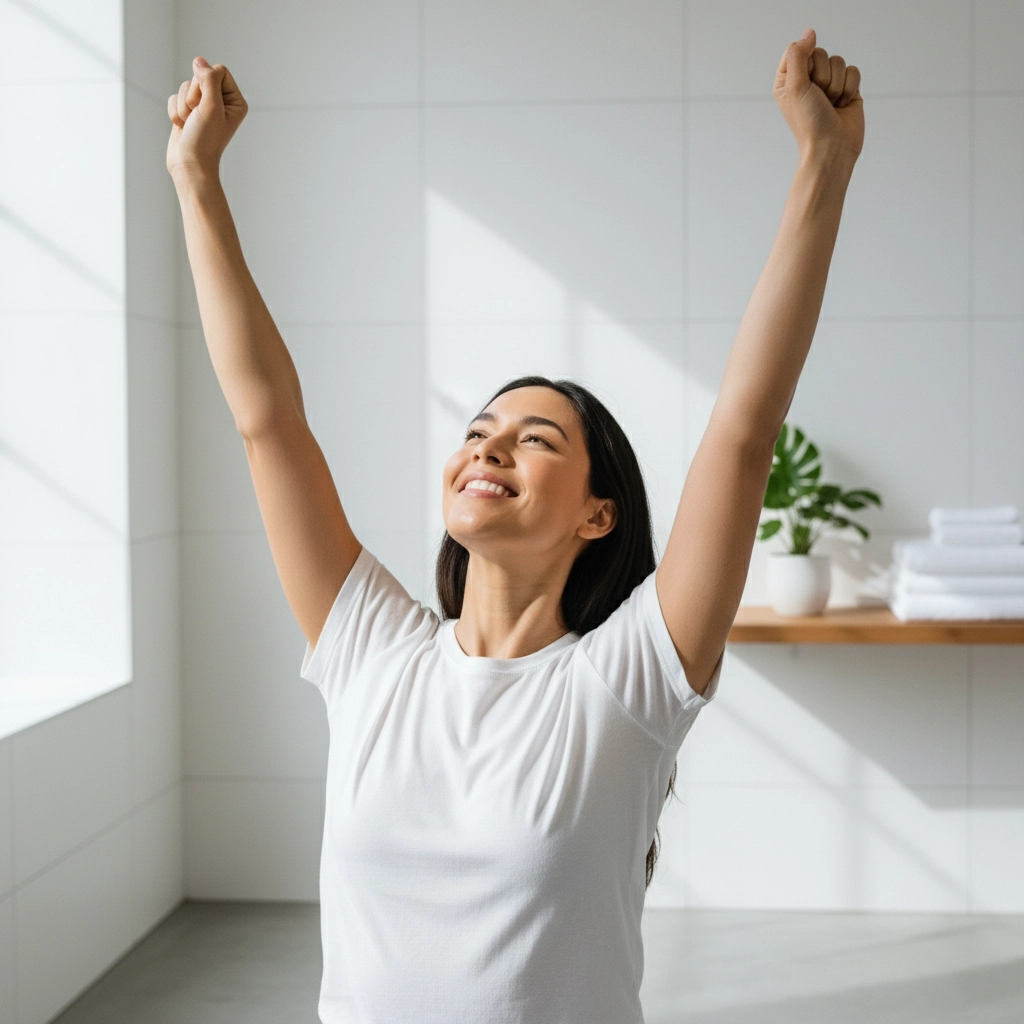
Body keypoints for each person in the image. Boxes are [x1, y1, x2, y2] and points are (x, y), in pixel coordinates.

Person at [167, 26, 862, 1024]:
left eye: (534, 438)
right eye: (477, 430)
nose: (486, 449)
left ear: (596, 513)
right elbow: (267, 420)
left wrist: (822, 163)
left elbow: (744, 433)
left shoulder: (625, 682)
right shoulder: (373, 649)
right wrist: (197, 182)